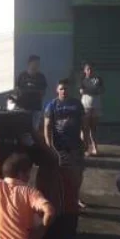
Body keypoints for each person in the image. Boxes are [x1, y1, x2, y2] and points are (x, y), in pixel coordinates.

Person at [42, 79, 88, 211]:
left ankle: (75, 197)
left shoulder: (77, 104)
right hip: (60, 147)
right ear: (57, 90)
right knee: (60, 175)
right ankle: (61, 198)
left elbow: (84, 125)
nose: (64, 91)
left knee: (78, 173)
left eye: (66, 89)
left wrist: (86, 142)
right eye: (61, 89)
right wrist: (48, 145)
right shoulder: (51, 105)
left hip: (76, 146)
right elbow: (47, 126)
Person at [79, 62, 104, 156]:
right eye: (88, 69)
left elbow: (101, 90)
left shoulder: (98, 79)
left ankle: (95, 148)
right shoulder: (82, 80)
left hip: (96, 106)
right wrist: (94, 90)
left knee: (93, 129)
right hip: (85, 106)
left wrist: (89, 91)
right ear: (85, 70)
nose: (90, 71)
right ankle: (84, 149)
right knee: (84, 128)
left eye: (91, 69)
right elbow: (82, 91)